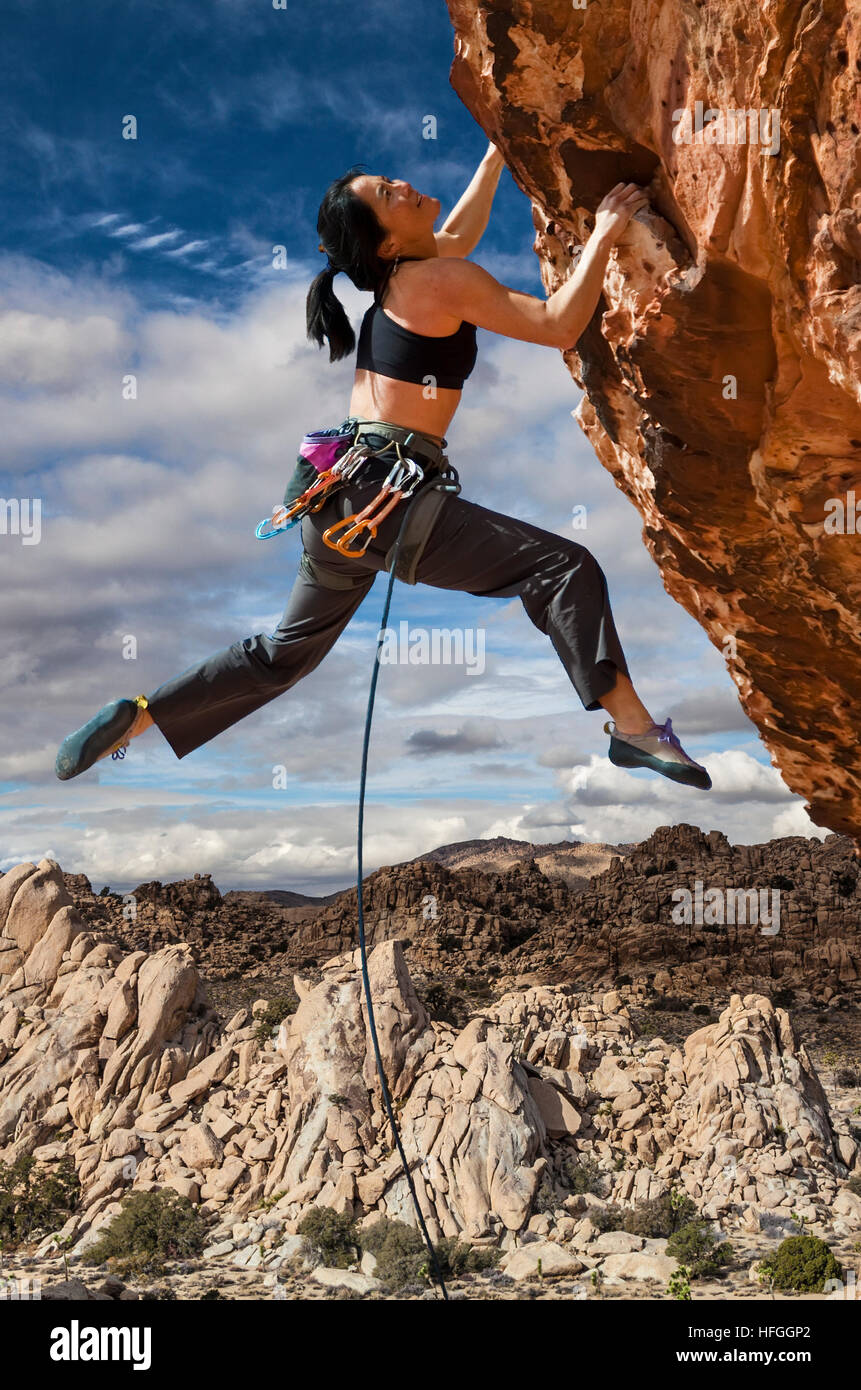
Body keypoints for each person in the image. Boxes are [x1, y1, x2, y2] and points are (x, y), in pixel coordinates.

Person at [55, 142, 711, 792]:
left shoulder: (412, 279)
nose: (400, 184)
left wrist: (491, 161)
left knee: (285, 655)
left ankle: (144, 716)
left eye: (389, 180)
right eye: (385, 195)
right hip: (385, 497)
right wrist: (601, 234)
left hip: (332, 499)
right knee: (560, 567)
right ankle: (632, 729)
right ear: (388, 246)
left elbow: (454, 235)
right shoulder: (435, 281)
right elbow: (557, 324)